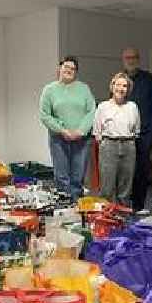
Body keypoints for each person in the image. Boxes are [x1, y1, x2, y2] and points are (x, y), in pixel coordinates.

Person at [39, 56, 96, 200]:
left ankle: (77, 208)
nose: (69, 70)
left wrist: (80, 131)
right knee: (62, 177)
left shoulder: (84, 89)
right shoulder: (49, 90)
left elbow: (92, 111)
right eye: (66, 67)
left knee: (78, 177)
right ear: (60, 68)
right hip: (58, 139)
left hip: (81, 140)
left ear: (76, 72)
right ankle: (64, 209)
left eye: (73, 69)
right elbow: (44, 115)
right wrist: (61, 130)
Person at [93, 72, 140, 206]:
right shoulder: (103, 107)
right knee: (107, 187)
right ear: (112, 86)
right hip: (109, 145)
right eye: (118, 84)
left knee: (125, 188)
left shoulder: (133, 107)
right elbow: (97, 132)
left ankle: (122, 219)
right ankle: (106, 221)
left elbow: (136, 130)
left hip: (128, 146)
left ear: (128, 89)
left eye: (124, 86)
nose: (121, 88)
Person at [121, 47, 152, 211]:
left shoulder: (148, 79)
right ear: (123, 60)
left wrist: (151, 131)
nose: (131, 60)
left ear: (138, 59)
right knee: (125, 172)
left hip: (144, 134)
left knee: (141, 171)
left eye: (134, 57)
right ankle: (123, 206)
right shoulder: (119, 80)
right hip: (123, 135)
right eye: (127, 57)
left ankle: (139, 206)